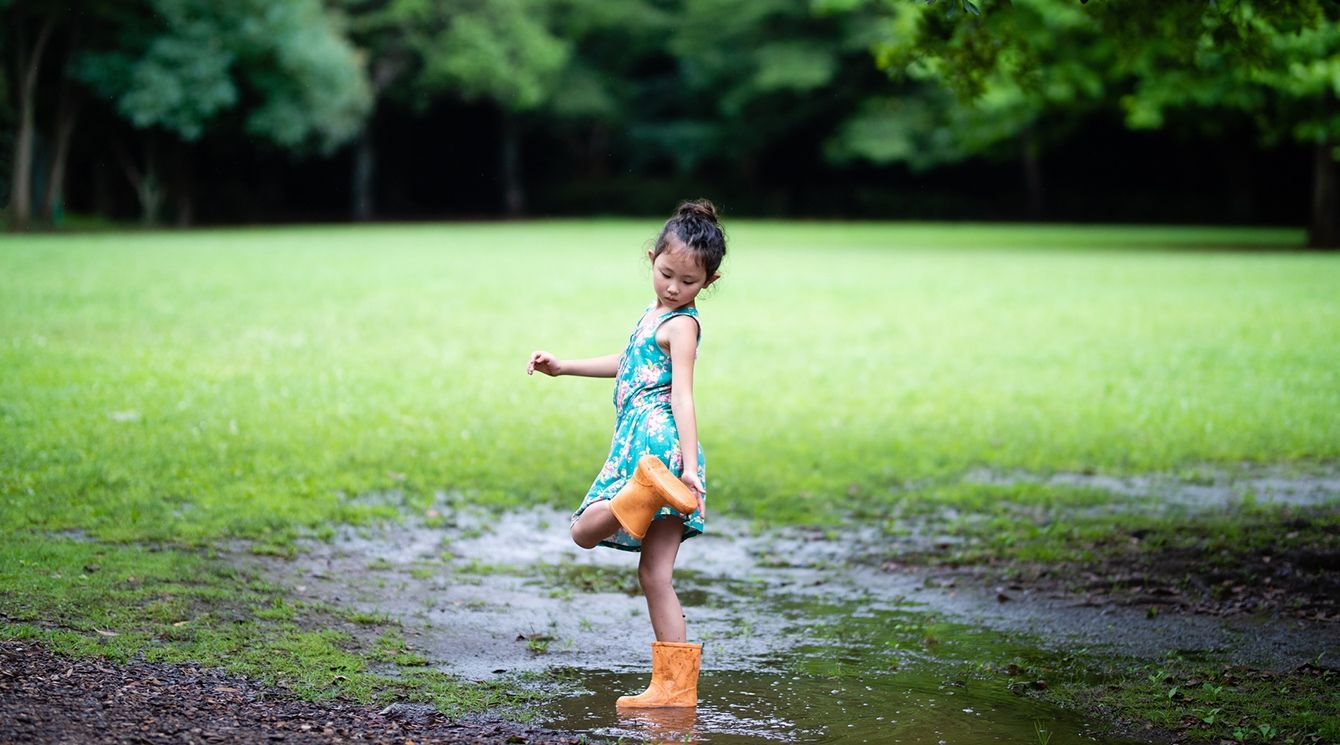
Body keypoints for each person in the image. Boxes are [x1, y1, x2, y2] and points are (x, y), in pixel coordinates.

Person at [526, 199, 726, 709]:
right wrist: (564, 367)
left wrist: (687, 467)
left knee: (582, 532)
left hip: (654, 449)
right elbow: (629, 361)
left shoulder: (681, 325)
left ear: (710, 281)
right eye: (666, 274)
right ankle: (676, 691)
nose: (674, 288)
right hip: (662, 460)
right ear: (652, 258)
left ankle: (639, 493)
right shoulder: (655, 314)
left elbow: (683, 395)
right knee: (656, 576)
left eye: (688, 282)